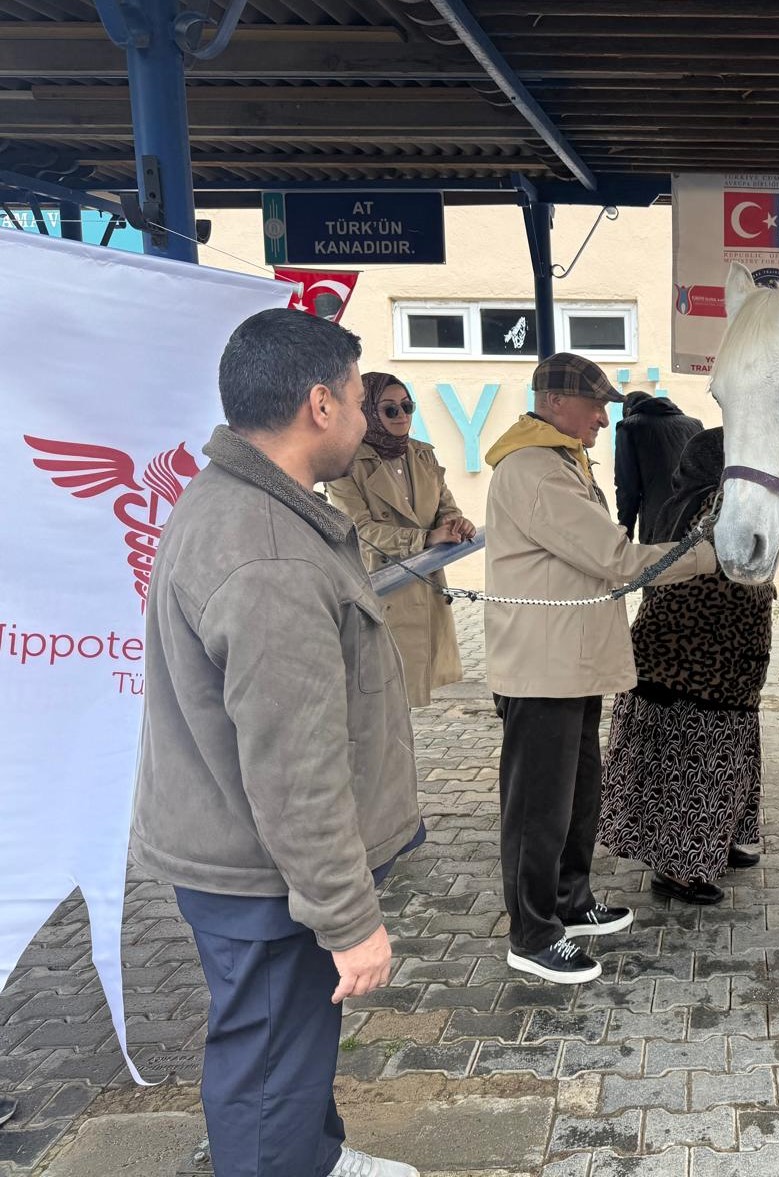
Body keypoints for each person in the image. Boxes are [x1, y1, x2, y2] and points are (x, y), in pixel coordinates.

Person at [131, 309, 423, 1177]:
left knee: (286, 1049)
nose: (372, 419)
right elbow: (294, 766)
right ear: (320, 404)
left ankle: (314, 1156)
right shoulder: (270, 554)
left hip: (245, 860)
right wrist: (348, 918)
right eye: (362, 400)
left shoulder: (241, 499)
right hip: (265, 875)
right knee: (265, 1069)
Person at [483, 352, 718, 984]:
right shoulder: (537, 470)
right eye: (595, 406)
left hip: (570, 661)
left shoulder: (561, 460)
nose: (603, 418)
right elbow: (617, 558)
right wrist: (708, 555)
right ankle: (532, 934)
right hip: (543, 665)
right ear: (555, 403)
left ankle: (569, 900)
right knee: (538, 807)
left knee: (575, 793)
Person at [600, 428, 773, 905]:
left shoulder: (692, 502)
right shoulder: (714, 508)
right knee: (692, 764)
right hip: (695, 666)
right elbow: (716, 578)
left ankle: (714, 843)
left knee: (719, 755)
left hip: (715, 665)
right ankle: (677, 871)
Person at [325, 372, 476, 708]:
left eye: (408, 406)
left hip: (424, 588)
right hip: (380, 589)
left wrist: (455, 524)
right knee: (380, 699)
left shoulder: (423, 455)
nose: (403, 415)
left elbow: (445, 507)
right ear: (367, 413)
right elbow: (360, 531)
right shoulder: (346, 464)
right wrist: (426, 538)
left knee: (407, 696)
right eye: (390, 409)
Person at [614, 389, 702, 541]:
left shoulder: (628, 427)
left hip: (659, 526)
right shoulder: (694, 424)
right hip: (696, 520)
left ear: (628, 411)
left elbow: (627, 488)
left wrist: (626, 532)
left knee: (664, 564)